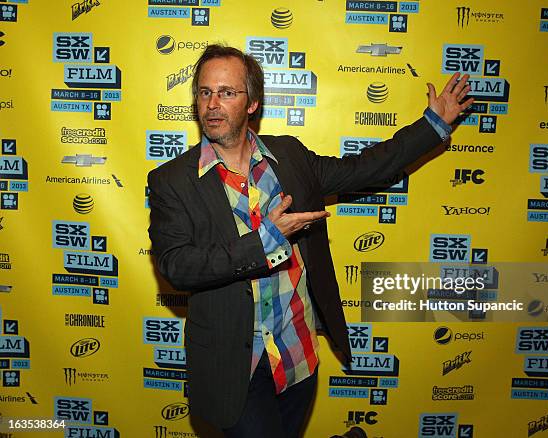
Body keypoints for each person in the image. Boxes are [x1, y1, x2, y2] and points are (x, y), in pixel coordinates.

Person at [147, 44, 473, 438]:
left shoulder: (291, 157)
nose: (213, 104)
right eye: (204, 92)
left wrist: (432, 125)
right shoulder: (171, 181)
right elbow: (177, 266)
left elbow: (363, 168)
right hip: (234, 371)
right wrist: (265, 238)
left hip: (297, 356)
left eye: (227, 92)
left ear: (252, 103)